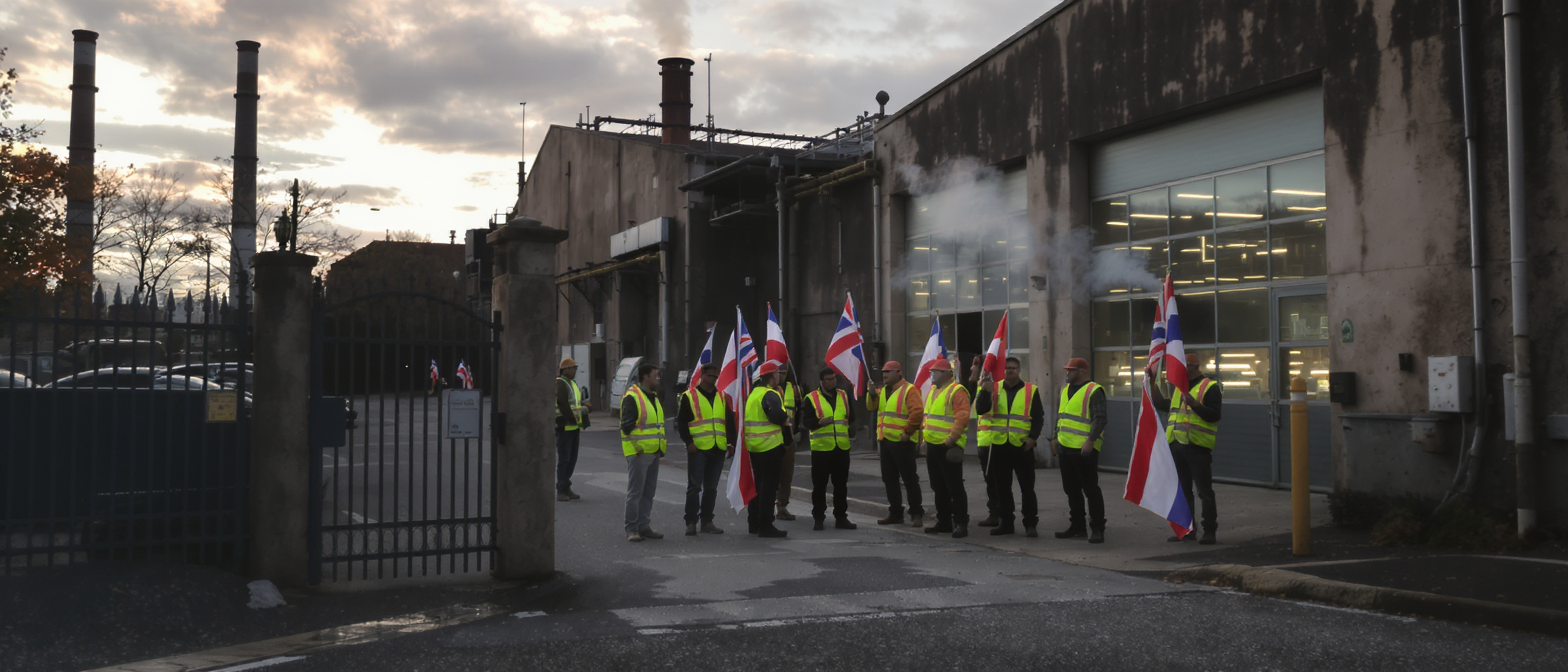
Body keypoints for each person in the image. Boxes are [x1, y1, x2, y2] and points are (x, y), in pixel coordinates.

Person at [1150, 352, 1223, 544]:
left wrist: (1195, 404)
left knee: (1204, 491)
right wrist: (1152, 382)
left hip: (1197, 446)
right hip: (1177, 445)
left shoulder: (1209, 387)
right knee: (1183, 491)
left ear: (1193, 367)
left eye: (1183, 368)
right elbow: (1163, 405)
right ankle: (1187, 530)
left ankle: (1209, 531)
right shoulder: (1179, 388)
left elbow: (1215, 415)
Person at [975, 356, 1045, 537]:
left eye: (1013, 368)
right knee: (1002, 488)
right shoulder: (993, 388)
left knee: (1027, 488)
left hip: (1022, 446)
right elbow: (980, 410)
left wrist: (1032, 438)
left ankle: (1030, 524)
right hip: (999, 444)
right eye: (1007, 368)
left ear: (1019, 370)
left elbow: (1038, 417)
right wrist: (985, 391)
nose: (1010, 371)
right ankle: (1006, 523)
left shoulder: (1030, 390)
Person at [1053, 357, 1106, 544]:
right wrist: (1055, 437)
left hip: (1084, 449)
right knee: (1071, 489)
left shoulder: (1094, 391)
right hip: (1065, 445)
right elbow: (1061, 416)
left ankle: (1097, 528)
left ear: (1082, 371)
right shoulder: (1065, 389)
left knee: (1090, 489)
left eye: (1071, 370)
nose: (1067, 373)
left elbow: (1100, 419)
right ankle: (1077, 526)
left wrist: (1090, 441)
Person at [866, 361, 925, 528]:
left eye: (888, 372)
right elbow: (871, 407)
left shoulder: (909, 390)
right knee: (889, 479)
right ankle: (895, 512)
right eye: (883, 372)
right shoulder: (882, 391)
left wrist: (907, 432)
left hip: (902, 442)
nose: (884, 375)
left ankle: (916, 513)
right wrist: (871, 394)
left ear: (899, 373)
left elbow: (917, 412)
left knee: (909, 478)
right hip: (885, 441)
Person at [677, 363, 734, 536]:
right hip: (699, 448)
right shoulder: (689, 396)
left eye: (716, 377)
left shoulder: (721, 397)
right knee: (694, 487)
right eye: (711, 376)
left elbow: (729, 421)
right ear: (702, 375)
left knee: (711, 487)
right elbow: (682, 423)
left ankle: (707, 521)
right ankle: (691, 522)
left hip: (718, 447)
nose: (714, 379)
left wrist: (730, 443)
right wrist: (689, 443)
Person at [921, 357, 972, 539]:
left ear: (945, 373)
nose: (931, 375)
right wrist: (925, 439)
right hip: (933, 445)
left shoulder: (957, 391)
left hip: (949, 446)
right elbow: (928, 417)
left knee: (954, 486)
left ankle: (960, 523)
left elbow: (962, 417)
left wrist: (952, 439)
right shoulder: (933, 391)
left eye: (934, 372)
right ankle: (944, 521)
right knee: (938, 486)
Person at [801, 367, 857, 531]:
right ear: (821, 381)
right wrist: (819, 423)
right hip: (821, 449)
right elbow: (806, 422)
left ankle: (841, 517)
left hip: (841, 448)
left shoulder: (843, 396)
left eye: (833, 379)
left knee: (841, 485)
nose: (832, 382)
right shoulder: (811, 398)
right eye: (828, 380)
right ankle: (819, 518)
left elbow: (851, 417)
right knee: (819, 486)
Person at [744, 362, 791, 538]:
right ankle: (766, 525)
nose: (779, 376)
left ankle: (754, 523)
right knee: (769, 488)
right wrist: (785, 418)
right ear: (772, 376)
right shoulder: (770, 394)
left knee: (758, 485)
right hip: (770, 446)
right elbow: (776, 415)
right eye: (777, 373)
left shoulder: (753, 394)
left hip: (754, 446)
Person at [620, 364, 666, 542]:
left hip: (653, 451)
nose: (658, 379)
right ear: (646, 377)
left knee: (648, 492)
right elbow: (626, 426)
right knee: (636, 492)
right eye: (656, 376)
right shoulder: (632, 397)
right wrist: (637, 448)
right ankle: (632, 529)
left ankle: (643, 526)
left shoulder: (653, 397)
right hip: (639, 453)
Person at [969, 355, 1003, 529]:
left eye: (976, 366)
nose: (971, 368)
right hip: (984, 441)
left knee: (997, 482)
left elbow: (983, 408)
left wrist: (986, 391)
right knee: (990, 481)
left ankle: (998, 514)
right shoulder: (980, 385)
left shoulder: (992, 387)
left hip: (994, 441)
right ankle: (995, 513)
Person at [556, 358, 591, 502]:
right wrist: (571, 417)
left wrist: (584, 406)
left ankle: (566, 486)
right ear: (566, 369)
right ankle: (561, 489)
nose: (575, 371)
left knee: (571, 460)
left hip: (574, 427)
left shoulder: (572, 384)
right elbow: (562, 403)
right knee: (564, 460)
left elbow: (575, 402)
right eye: (573, 368)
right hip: (565, 427)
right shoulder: (560, 383)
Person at [774, 370, 802, 521]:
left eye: (784, 371)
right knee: (772, 474)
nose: (781, 375)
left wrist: (796, 430)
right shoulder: (767, 390)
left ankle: (782, 506)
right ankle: (765, 507)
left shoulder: (793, 388)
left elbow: (798, 410)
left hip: (789, 437)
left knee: (786, 474)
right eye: (778, 371)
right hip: (772, 437)